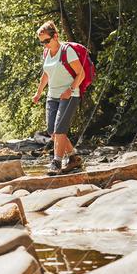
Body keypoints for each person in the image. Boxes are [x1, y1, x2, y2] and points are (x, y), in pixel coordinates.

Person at [31, 21, 85, 175]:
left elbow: (81, 73)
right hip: (52, 95)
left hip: (69, 95)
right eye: (42, 42)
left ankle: (56, 162)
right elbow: (46, 73)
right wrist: (38, 92)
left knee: (60, 129)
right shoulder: (46, 53)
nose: (45, 45)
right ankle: (74, 157)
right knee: (52, 132)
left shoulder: (67, 51)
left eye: (47, 41)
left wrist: (70, 89)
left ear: (55, 36)